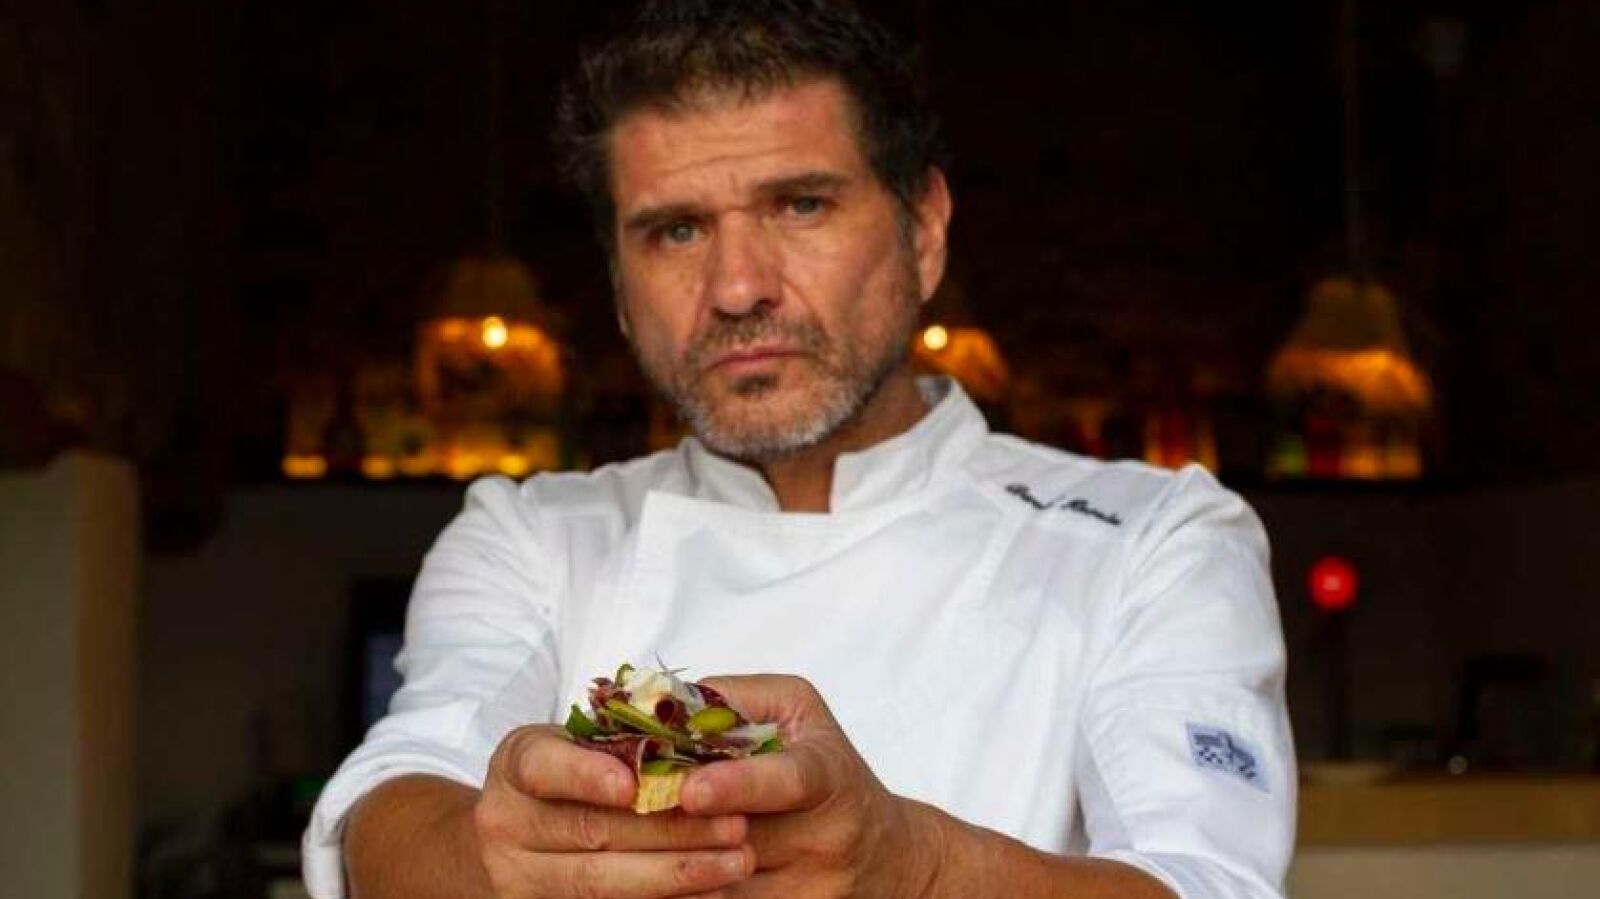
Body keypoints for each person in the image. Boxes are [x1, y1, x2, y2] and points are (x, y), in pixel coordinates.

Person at [302, 1, 1296, 897]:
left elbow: (1208, 881)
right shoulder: (531, 534)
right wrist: (498, 858)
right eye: (676, 230)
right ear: (617, 284)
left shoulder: (1153, 539)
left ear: (924, 231)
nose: (738, 287)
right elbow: (397, 801)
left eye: (800, 204)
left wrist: (919, 866)